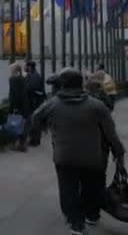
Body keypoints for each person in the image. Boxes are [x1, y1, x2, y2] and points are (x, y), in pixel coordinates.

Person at [32, 68, 125, 235]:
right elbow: (110, 132)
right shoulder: (96, 105)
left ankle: (76, 223)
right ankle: (91, 214)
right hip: (92, 155)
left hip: (64, 156)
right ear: (81, 83)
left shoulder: (52, 104)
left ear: (62, 84)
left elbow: (35, 118)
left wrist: (50, 128)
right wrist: (119, 152)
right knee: (92, 186)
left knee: (68, 189)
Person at [25, 61, 46, 146]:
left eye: (25, 66)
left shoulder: (34, 77)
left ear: (29, 67)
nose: (24, 68)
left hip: (34, 103)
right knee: (35, 121)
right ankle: (34, 139)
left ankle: (35, 140)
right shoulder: (33, 75)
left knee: (35, 121)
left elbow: (31, 88)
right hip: (35, 102)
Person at [8, 63, 29, 151]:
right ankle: (22, 144)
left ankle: (14, 144)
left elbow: (14, 94)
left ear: (14, 70)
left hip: (16, 106)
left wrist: (14, 107)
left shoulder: (13, 79)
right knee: (22, 125)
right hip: (24, 105)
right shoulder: (23, 79)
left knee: (14, 125)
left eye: (11, 69)